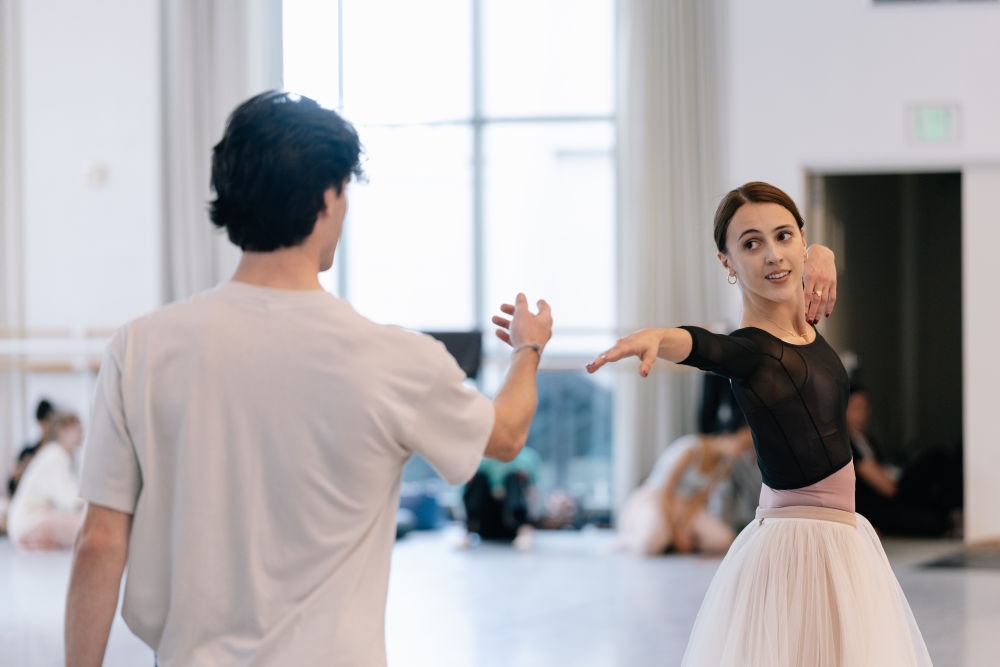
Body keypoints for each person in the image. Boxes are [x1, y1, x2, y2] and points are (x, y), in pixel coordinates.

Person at [64, 91, 553, 667]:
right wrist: (528, 347)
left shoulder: (140, 348)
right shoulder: (392, 359)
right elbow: (507, 434)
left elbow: (98, 541)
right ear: (328, 198)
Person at [587, 181, 931, 666]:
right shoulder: (752, 348)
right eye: (751, 243)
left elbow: (806, 274)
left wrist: (824, 253)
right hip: (798, 547)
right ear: (727, 263)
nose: (772, 254)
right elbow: (706, 346)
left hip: (843, 540)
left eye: (783, 236)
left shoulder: (808, 325)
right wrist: (661, 337)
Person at [616, 424, 753, 556]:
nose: (743, 453)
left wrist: (684, 527)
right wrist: (677, 534)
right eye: (744, 445)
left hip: (685, 507)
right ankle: (639, 535)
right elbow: (665, 492)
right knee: (650, 543)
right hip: (657, 500)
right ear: (728, 435)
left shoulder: (724, 465)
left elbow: (699, 500)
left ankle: (669, 541)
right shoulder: (691, 451)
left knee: (724, 539)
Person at [848, 383, 957, 537]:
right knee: (936, 458)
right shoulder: (848, 444)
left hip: (891, 491)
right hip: (879, 503)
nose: (864, 413)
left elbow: (883, 470)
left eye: (866, 407)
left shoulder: (868, 440)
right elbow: (886, 486)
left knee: (934, 503)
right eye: (857, 408)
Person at [6, 411, 85, 550]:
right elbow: (69, 500)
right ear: (62, 431)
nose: (81, 433)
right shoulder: (55, 454)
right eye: (77, 429)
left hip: (31, 522)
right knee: (86, 527)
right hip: (28, 522)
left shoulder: (68, 458)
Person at [461, 445, 541, 549]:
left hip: (513, 525)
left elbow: (535, 493)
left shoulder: (528, 457)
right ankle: (468, 532)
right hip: (485, 523)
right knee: (479, 478)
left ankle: (524, 532)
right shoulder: (479, 457)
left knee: (515, 478)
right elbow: (465, 493)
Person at [6, 397, 57, 496]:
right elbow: (11, 487)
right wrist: (17, 477)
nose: (46, 427)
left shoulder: (57, 453)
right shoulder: (27, 452)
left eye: (48, 422)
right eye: (42, 423)